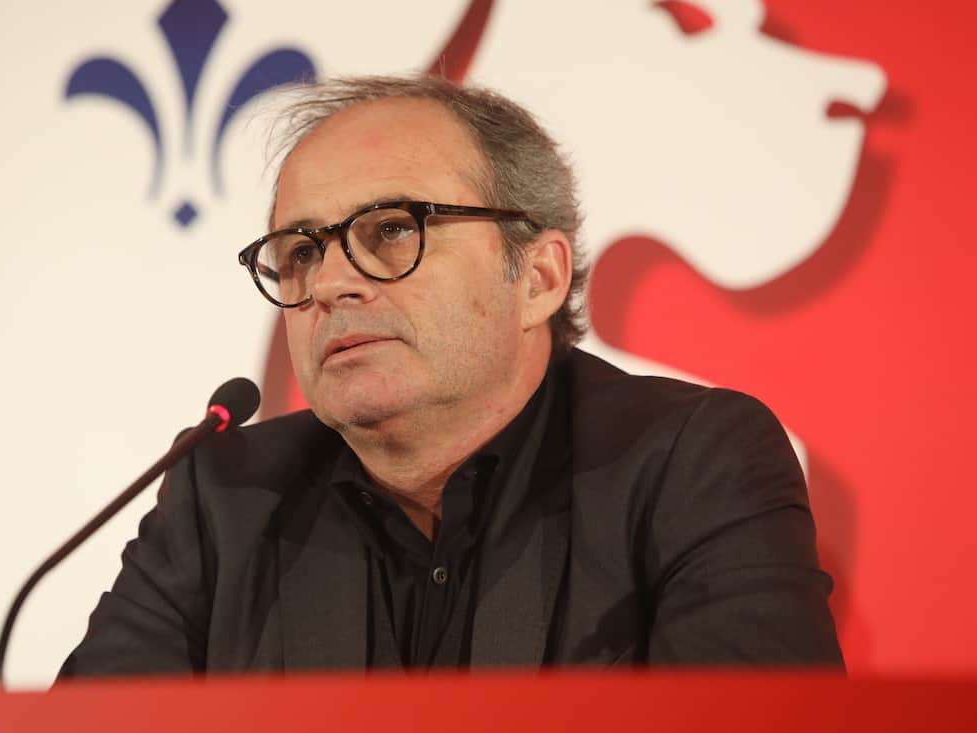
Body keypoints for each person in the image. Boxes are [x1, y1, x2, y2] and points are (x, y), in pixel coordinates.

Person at [58, 75, 843, 676]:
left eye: (391, 230)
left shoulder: (693, 463)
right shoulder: (223, 498)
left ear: (537, 277)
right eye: (300, 251)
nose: (329, 283)